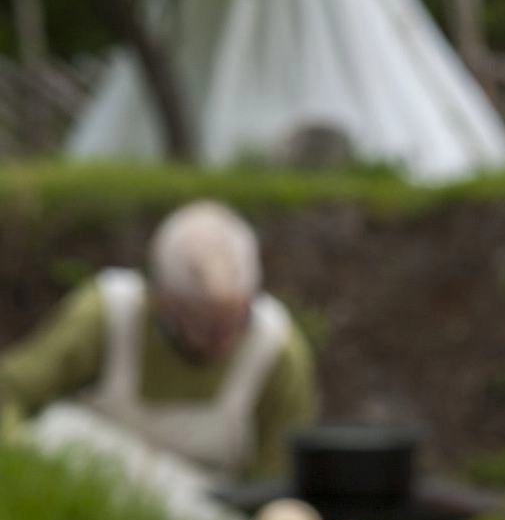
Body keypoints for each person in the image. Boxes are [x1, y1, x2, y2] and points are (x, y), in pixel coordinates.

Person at [0, 200, 317, 483]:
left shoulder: (277, 353)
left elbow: (279, 480)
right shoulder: (108, 316)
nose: (225, 340)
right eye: (208, 328)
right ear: (162, 299)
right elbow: (10, 390)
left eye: (238, 319)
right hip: (84, 494)